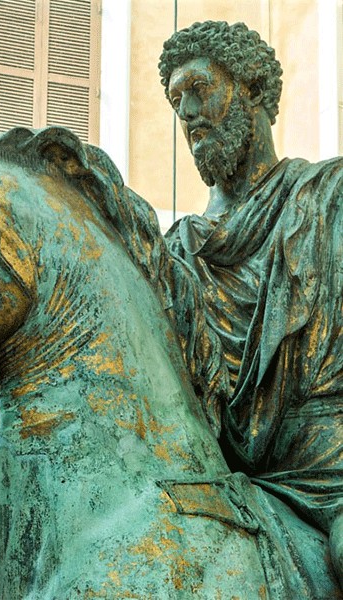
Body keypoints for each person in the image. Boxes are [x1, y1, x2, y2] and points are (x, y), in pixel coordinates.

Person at [159, 20, 342, 583]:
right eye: (175, 99)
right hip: (215, 472)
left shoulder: (328, 200)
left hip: (330, 471)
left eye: (199, 88)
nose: (185, 112)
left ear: (254, 90)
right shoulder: (176, 254)